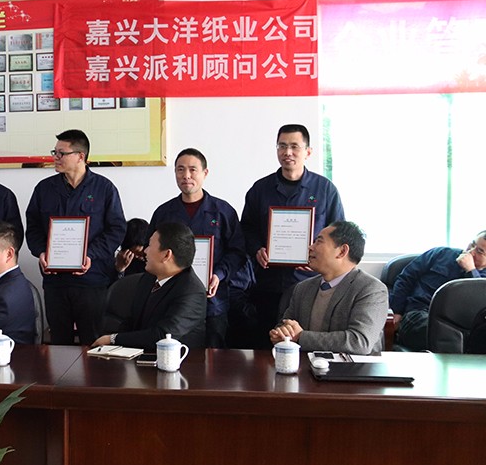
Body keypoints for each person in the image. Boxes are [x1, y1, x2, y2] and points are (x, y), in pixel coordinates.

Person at [241, 124, 345, 347]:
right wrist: (257, 249)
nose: (287, 152)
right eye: (282, 146)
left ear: (308, 151)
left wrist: (318, 256)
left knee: (303, 345)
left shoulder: (325, 190)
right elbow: (246, 229)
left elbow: (339, 235)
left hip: (310, 285)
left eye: (294, 146)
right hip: (267, 284)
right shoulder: (260, 189)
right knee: (265, 347)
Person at [25, 129, 126, 346]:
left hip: (92, 280)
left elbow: (117, 229)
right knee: (59, 344)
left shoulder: (104, 189)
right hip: (55, 282)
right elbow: (33, 228)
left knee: (93, 343)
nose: (55, 157)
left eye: (61, 153)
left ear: (80, 156)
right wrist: (41, 252)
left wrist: (90, 254)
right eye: (54, 152)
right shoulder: (44, 189)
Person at [150, 148, 246, 348]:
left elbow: (237, 252)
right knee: (172, 354)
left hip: (212, 301)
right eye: (180, 169)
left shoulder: (223, 212)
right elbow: (151, 251)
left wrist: (219, 274)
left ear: (205, 173)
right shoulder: (163, 213)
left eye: (193, 169)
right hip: (173, 301)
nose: (186, 175)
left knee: (213, 358)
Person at [269, 221, 388, 355]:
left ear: (342, 251)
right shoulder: (302, 288)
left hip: (353, 367)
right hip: (305, 365)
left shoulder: (371, 289)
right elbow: (285, 325)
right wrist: (281, 334)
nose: (310, 247)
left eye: (318, 242)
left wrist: (301, 336)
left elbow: (359, 342)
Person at [92, 222, 207, 350]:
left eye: (150, 246)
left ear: (166, 255)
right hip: (138, 356)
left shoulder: (192, 292)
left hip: (178, 360)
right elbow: (132, 322)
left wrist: (113, 339)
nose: (145, 251)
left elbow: (162, 336)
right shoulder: (149, 278)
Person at [389, 231, 486, 351]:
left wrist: (471, 271)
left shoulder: (482, 280)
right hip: (420, 314)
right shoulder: (441, 254)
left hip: (464, 327)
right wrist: (397, 311)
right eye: (472, 244)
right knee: (443, 336)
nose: (471, 252)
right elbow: (406, 278)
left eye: (479, 251)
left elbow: (478, 304)